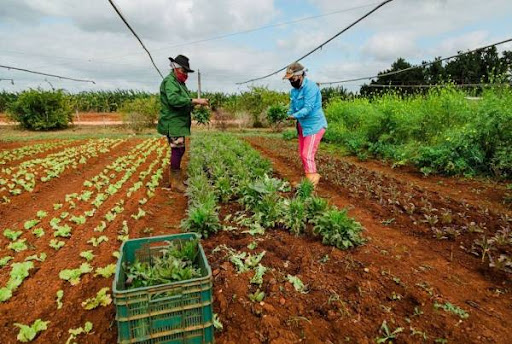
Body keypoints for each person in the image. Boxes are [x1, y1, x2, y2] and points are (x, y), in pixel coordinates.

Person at [157, 54, 208, 192]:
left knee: (180, 149)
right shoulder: (170, 82)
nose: (185, 74)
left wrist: (193, 105)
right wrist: (195, 101)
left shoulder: (179, 83)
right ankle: (175, 183)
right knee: (178, 149)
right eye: (184, 71)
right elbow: (174, 100)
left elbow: (183, 101)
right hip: (172, 122)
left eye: (187, 72)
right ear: (176, 69)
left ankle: (176, 179)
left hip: (178, 122)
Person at [283, 62, 327, 187]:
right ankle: (311, 178)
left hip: (314, 125)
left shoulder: (311, 87)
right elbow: (292, 107)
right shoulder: (294, 91)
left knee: (307, 154)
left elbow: (308, 108)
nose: (291, 81)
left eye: (293, 78)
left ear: (300, 75)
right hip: (302, 126)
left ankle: (311, 184)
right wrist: (287, 113)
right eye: (289, 79)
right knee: (303, 153)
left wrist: (294, 116)